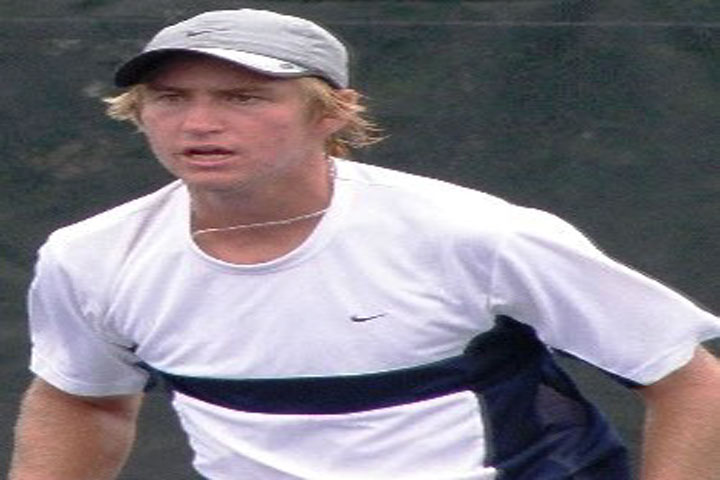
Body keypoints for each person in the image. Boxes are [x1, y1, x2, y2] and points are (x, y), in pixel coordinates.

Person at [8, 8, 720, 480]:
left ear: (333, 113)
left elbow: (690, 382)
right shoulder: (90, 257)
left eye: (242, 97)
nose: (199, 123)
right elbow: (83, 400)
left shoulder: (477, 234)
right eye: (171, 98)